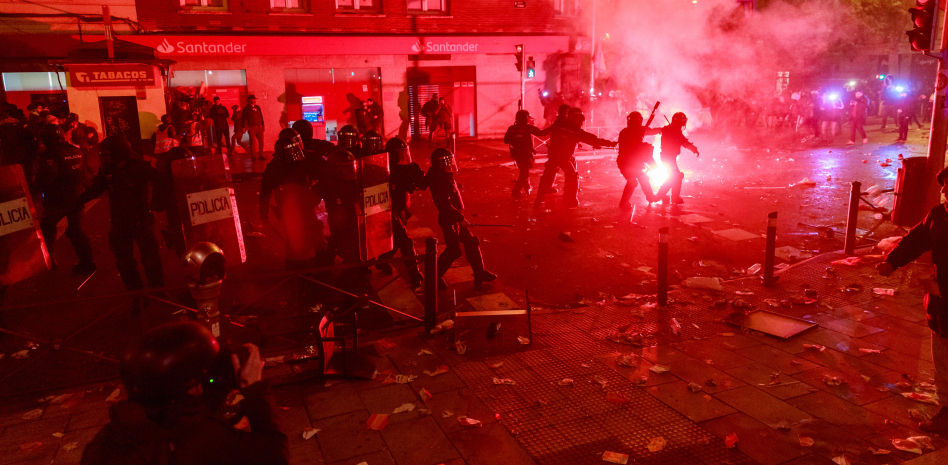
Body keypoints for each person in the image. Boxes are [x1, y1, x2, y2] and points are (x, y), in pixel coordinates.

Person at [80, 320, 288, 465]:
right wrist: (254, 387)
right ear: (191, 385)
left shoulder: (108, 440)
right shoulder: (199, 437)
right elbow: (275, 455)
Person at [877, 166, 948, 433]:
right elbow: (916, 240)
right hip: (942, 304)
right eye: (944, 185)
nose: (944, 190)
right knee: (943, 357)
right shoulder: (939, 216)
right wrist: (892, 261)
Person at [79, 136, 163, 291]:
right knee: (124, 259)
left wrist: (157, 204)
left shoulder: (138, 167)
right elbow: (96, 188)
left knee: (150, 256)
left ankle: (157, 288)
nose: (104, 158)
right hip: (120, 221)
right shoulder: (108, 170)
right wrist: (78, 201)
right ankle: (135, 291)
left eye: (107, 154)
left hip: (140, 219)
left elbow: (159, 179)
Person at [425, 148, 497, 288]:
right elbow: (444, 204)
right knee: (453, 250)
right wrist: (460, 218)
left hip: (454, 217)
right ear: (440, 164)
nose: (450, 164)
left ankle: (480, 273)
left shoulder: (443, 176)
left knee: (471, 242)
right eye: (447, 162)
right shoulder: (439, 179)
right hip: (449, 219)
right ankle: (433, 277)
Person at [259, 128, 326, 270]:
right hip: (289, 207)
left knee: (310, 233)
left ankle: (310, 263)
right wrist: (264, 214)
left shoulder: (304, 161)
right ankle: (298, 266)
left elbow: (323, 174)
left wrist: (316, 194)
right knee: (296, 236)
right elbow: (265, 191)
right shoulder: (275, 168)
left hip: (304, 204)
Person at [35, 125, 95, 274]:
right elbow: (84, 172)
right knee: (76, 230)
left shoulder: (51, 155)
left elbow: (48, 177)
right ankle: (87, 262)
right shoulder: (75, 150)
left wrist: (34, 189)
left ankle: (50, 261)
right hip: (77, 196)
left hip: (57, 199)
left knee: (47, 228)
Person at [534, 107, 615, 208]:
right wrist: (611, 144)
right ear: (575, 119)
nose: (581, 123)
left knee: (548, 175)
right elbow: (593, 139)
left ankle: (539, 199)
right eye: (579, 120)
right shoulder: (575, 130)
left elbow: (544, 133)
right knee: (572, 176)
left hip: (554, 155)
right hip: (563, 157)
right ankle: (570, 199)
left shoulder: (559, 125)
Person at [378, 138, 425, 287]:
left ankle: (381, 260)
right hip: (389, 211)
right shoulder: (386, 170)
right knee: (405, 241)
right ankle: (414, 274)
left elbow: (419, 184)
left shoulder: (405, 168)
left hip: (401, 209)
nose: (404, 157)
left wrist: (419, 172)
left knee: (398, 240)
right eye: (400, 154)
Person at [617, 104, 661, 209]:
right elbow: (639, 146)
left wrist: (661, 130)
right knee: (632, 182)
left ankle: (650, 197)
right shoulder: (627, 132)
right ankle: (623, 203)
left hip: (634, 162)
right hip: (626, 163)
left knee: (643, 178)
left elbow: (650, 131)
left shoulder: (634, 131)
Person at [654, 112, 699, 205]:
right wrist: (693, 149)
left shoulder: (671, 130)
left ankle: (670, 196)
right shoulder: (672, 131)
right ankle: (662, 195)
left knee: (675, 176)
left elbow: (683, 141)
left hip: (668, 157)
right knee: (676, 176)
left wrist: (693, 149)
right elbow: (684, 142)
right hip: (668, 157)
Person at [503, 110, 544, 198]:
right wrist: (555, 127)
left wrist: (515, 137)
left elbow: (506, 140)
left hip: (516, 154)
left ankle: (526, 187)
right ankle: (516, 191)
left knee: (524, 171)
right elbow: (541, 133)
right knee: (524, 172)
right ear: (525, 118)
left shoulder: (512, 128)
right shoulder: (528, 128)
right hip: (525, 154)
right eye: (528, 117)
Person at [242, 95, 265, 161]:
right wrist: (243, 127)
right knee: (252, 142)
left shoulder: (257, 107)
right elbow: (243, 118)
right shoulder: (246, 108)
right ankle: (253, 156)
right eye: (253, 99)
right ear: (249, 100)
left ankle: (261, 155)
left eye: (255, 99)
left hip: (259, 126)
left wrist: (263, 125)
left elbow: (261, 116)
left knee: (261, 142)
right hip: (251, 127)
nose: (254, 100)